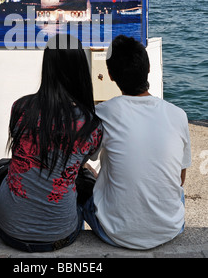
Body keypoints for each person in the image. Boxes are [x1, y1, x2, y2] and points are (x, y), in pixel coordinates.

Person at [0, 34, 102, 253]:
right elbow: (82, 160)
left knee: (0, 167)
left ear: (47, 67)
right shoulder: (91, 123)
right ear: (81, 68)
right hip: (59, 236)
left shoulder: (21, 107)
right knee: (86, 181)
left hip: (7, 230)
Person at [82, 35, 192, 250]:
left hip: (113, 233)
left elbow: (79, 158)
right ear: (148, 68)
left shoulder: (102, 114)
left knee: (80, 180)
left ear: (111, 75)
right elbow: (180, 179)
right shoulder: (178, 114)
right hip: (171, 228)